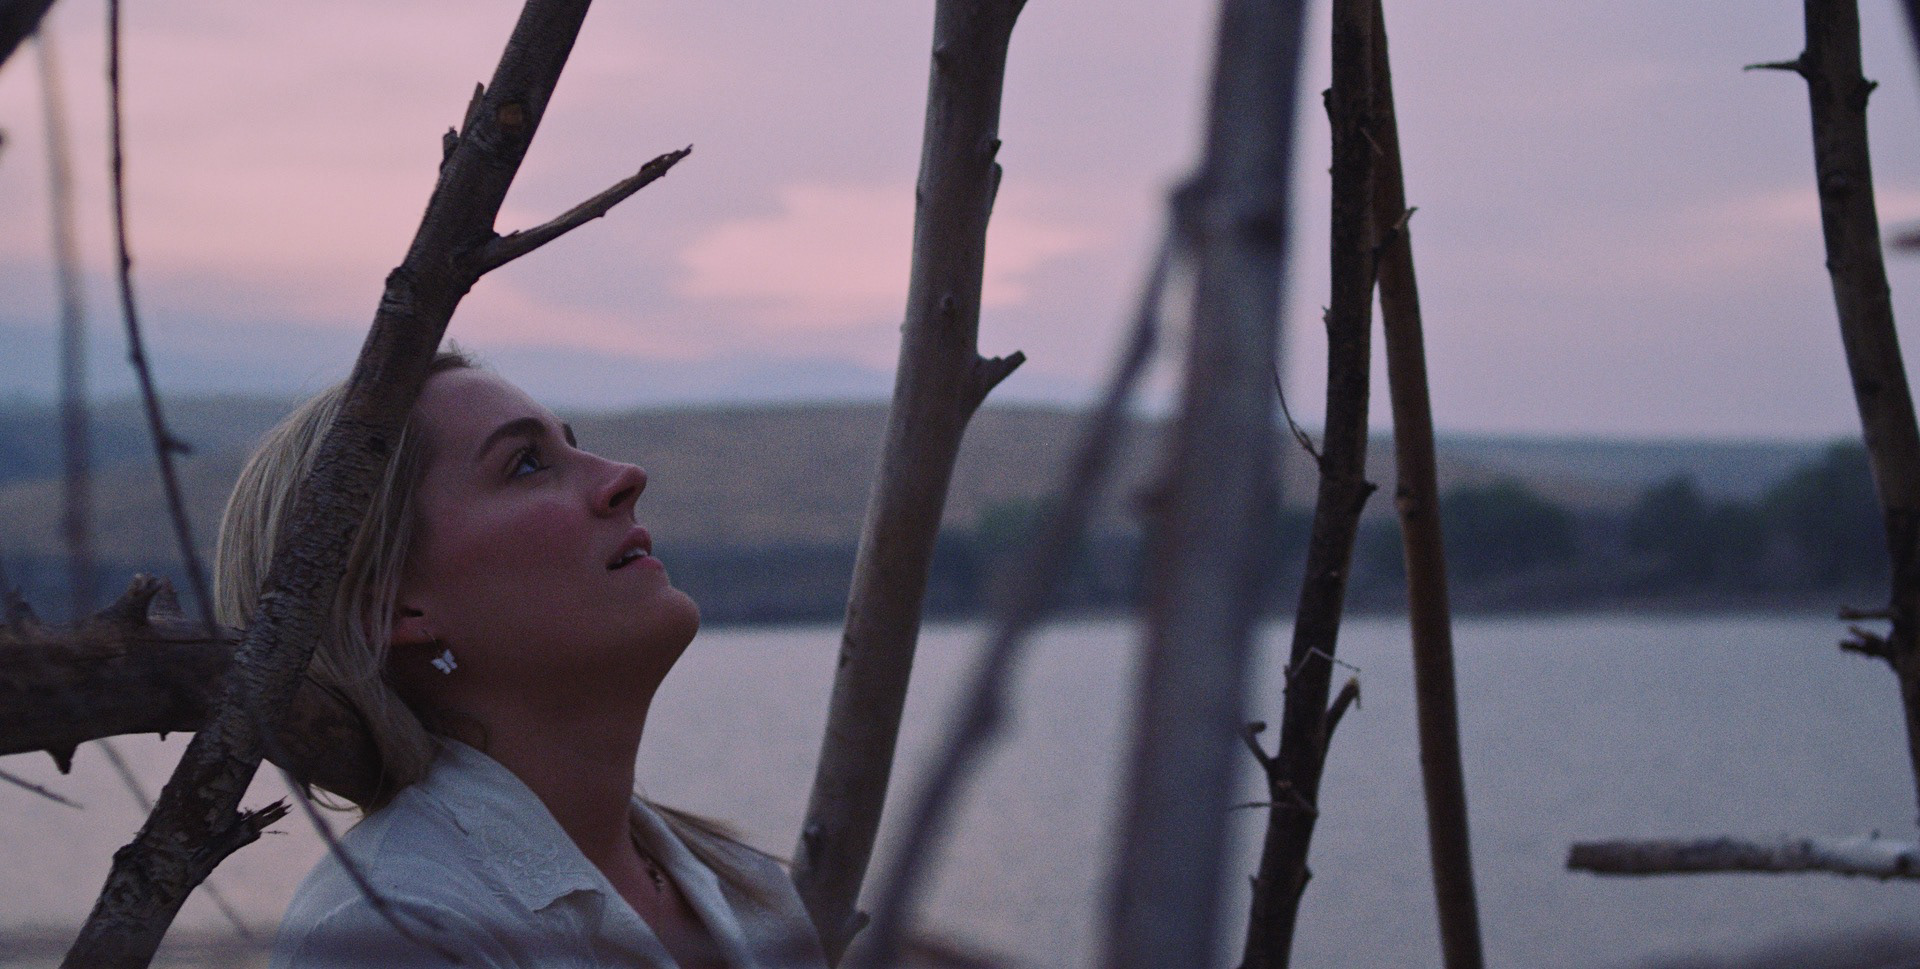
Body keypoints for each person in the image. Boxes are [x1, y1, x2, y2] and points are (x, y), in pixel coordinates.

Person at [216, 350, 826, 968]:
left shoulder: (748, 891)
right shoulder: (400, 928)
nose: (626, 476)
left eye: (572, 445)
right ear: (393, 610)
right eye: (527, 464)